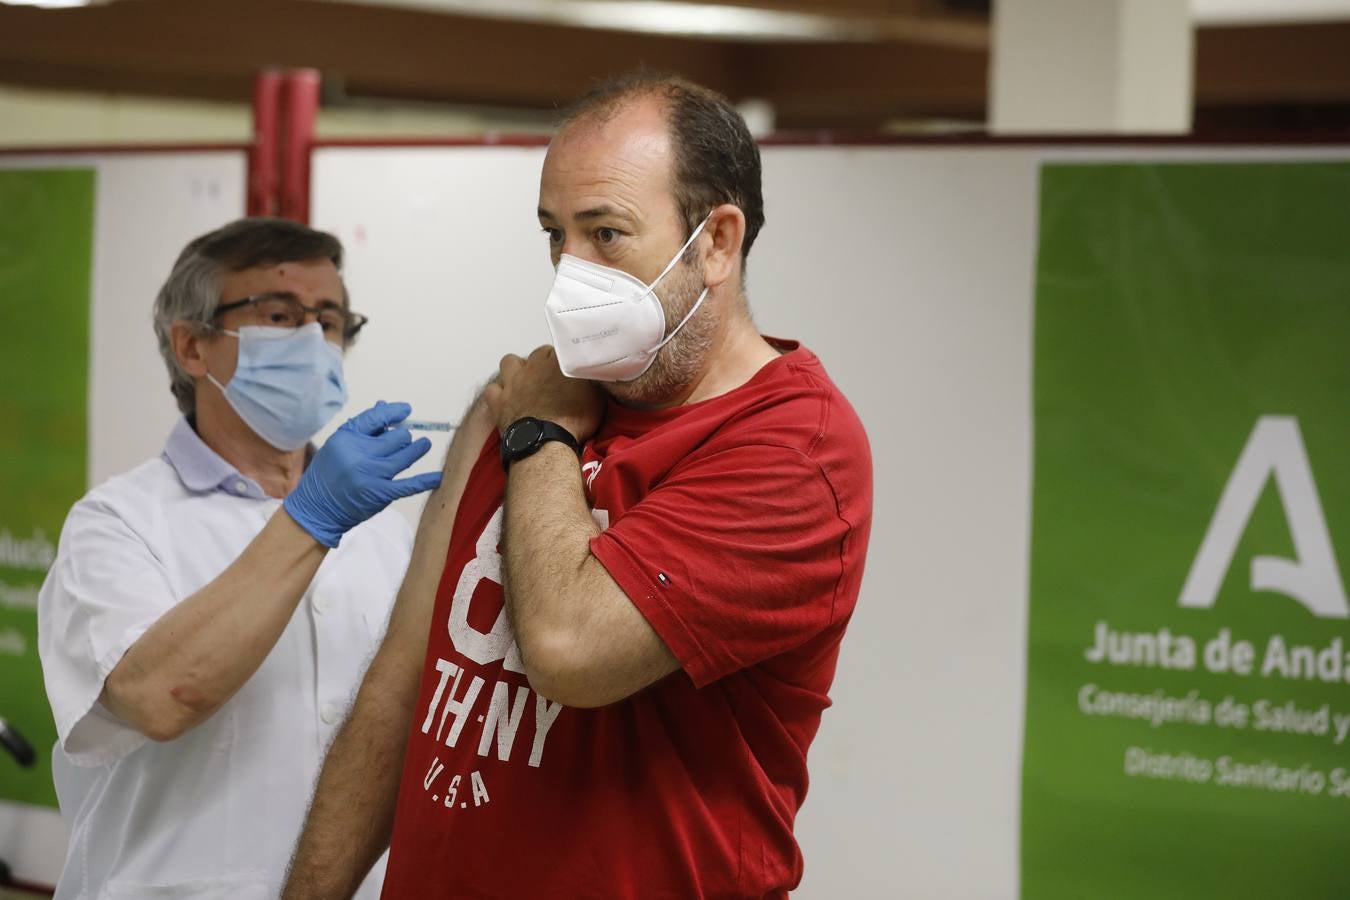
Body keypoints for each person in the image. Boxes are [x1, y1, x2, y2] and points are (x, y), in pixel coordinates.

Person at [285, 71, 873, 899]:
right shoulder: (519, 403)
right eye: (555, 234)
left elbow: (570, 652)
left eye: (606, 234)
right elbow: (404, 678)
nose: (570, 271)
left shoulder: (793, 449)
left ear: (717, 241)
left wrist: (544, 435)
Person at [37, 218, 441, 899]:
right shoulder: (114, 525)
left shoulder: (383, 534)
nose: (315, 340)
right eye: (280, 315)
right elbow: (161, 698)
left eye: (331, 319)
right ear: (192, 346)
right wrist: (313, 517)